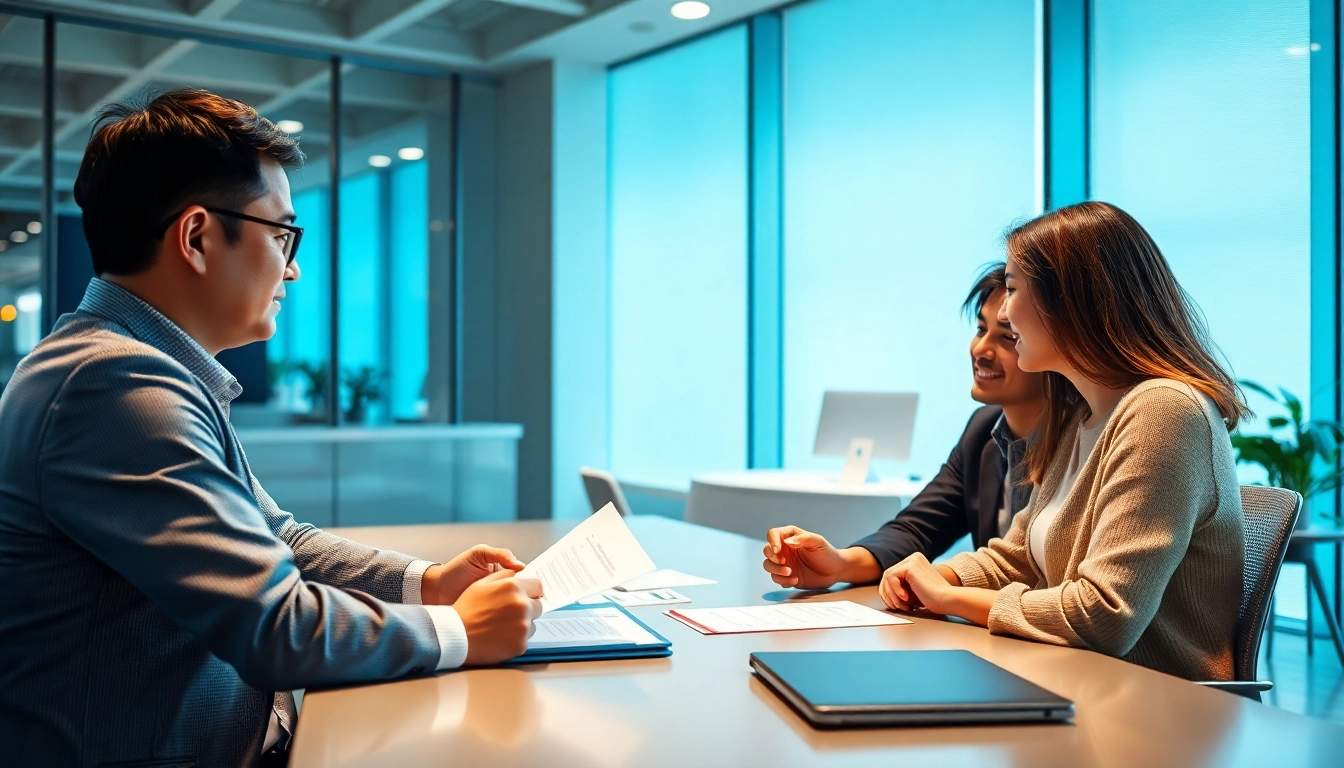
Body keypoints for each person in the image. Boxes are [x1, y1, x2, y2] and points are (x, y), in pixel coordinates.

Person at [0, 90, 543, 766]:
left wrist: (427, 584)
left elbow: (277, 537)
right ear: (197, 238)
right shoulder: (115, 386)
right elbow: (274, 625)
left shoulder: (137, 366)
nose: (293, 267)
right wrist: (455, 630)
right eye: (281, 234)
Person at [878, 201, 1245, 682]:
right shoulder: (1081, 417)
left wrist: (949, 597)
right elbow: (1017, 558)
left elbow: (1105, 614)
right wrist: (934, 577)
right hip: (1078, 680)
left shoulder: (1164, 410)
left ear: (1069, 302)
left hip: (1155, 703)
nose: (1004, 312)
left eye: (1012, 290)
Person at [762, 263, 1046, 590]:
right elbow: (916, 529)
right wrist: (839, 564)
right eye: (981, 330)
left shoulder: (1082, 442)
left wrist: (944, 588)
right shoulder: (983, 431)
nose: (981, 350)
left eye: (1008, 337)